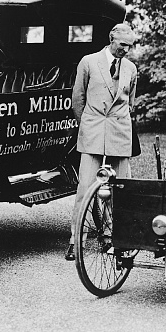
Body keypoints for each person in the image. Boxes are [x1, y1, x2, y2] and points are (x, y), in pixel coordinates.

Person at [66, 22, 138, 260]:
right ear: (111, 40)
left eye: (129, 46)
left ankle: (115, 237)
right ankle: (76, 241)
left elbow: (130, 104)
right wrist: (87, 125)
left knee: (121, 189)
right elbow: (78, 99)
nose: (125, 50)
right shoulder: (88, 62)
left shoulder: (131, 68)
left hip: (120, 131)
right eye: (122, 45)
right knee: (86, 188)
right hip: (93, 130)